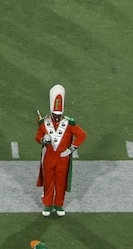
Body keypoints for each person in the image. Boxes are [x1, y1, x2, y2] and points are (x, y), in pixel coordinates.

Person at [36, 85, 86, 218]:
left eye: (59, 115)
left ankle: (59, 204)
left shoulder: (69, 123)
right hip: (49, 156)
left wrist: (71, 149)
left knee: (60, 182)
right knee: (48, 182)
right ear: (52, 113)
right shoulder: (44, 122)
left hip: (63, 157)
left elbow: (82, 135)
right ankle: (47, 204)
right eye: (55, 115)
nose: (57, 118)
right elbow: (37, 137)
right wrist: (43, 139)